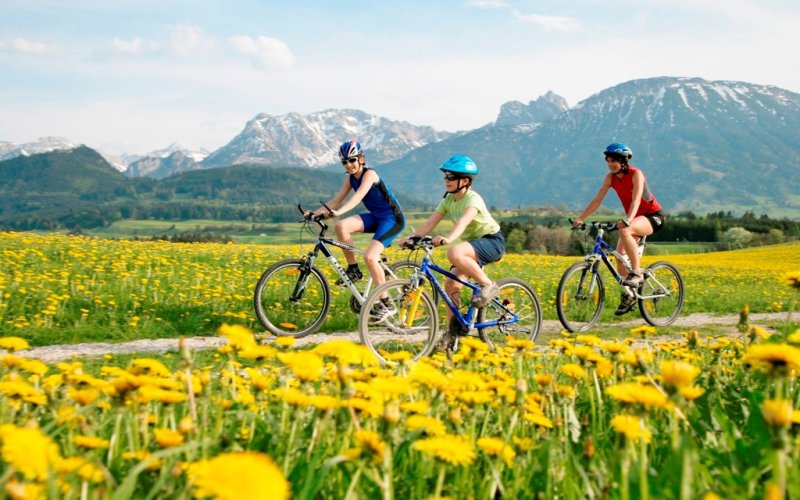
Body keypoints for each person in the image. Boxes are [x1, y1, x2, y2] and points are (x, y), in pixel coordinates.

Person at [398, 155, 505, 348]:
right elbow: (430, 222)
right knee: (451, 284)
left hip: (492, 241)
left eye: (451, 177)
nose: (446, 180)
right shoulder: (448, 199)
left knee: (455, 253)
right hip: (473, 246)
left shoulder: (473, 199)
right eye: (446, 176)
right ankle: (452, 333)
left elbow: (463, 222)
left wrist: (448, 238)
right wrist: (412, 238)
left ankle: (489, 286)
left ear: (465, 181)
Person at [307, 139, 406, 320]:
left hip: (392, 218)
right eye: (344, 162)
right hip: (376, 217)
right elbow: (335, 201)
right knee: (341, 226)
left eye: (352, 160)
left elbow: (357, 198)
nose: (348, 165)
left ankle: (387, 303)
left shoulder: (370, 174)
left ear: (361, 159)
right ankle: (353, 270)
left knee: (370, 257)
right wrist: (314, 214)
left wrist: (338, 212)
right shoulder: (350, 178)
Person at [572, 143, 665, 315]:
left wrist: (628, 220)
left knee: (625, 230)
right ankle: (629, 295)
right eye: (608, 161)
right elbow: (597, 200)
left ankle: (636, 272)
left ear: (623, 161)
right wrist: (581, 218)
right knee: (619, 257)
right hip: (634, 219)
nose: (610, 164)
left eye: (613, 161)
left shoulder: (636, 174)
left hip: (653, 217)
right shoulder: (610, 178)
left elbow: (636, 199)